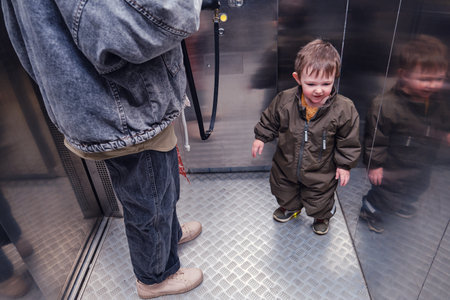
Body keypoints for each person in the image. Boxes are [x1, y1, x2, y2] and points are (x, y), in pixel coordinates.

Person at [1, 0, 204, 298]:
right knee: (148, 200)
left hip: (107, 102)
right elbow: (128, 33)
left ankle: (167, 236)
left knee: (158, 187)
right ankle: (156, 277)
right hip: (124, 106)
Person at [252, 39, 361, 235]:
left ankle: (322, 216)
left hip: (322, 171)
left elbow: (348, 141)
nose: (319, 90)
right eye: (311, 84)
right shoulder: (284, 100)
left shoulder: (344, 109)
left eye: (326, 83)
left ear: (334, 78)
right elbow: (270, 119)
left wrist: (344, 165)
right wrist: (261, 136)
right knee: (284, 191)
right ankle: (291, 208)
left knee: (320, 199)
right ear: (297, 78)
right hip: (286, 164)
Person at [360, 35, 449, 233]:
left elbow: (443, 121)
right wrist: (374, 165)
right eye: (425, 79)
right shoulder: (386, 105)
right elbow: (376, 140)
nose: (433, 85)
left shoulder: (437, 102)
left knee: (417, 187)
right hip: (394, 165)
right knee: (387, 194)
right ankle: (370, 209)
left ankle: (399, 203)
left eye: (439, 79)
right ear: (404, 75)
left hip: (422, 162)